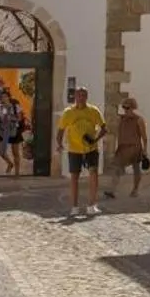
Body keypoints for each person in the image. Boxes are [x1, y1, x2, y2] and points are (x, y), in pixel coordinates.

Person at [56, 87, 107, 219]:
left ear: (87, 97)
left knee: (93, 174)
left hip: (91, 148)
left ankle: (92, 205)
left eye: (84, 95)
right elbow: (61, 130)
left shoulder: (93, 111)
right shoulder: (68, 112)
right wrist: (59, 144)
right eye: (79, 95)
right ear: (75, 97)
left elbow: (104, 128)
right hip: (74, 149)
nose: (81, 98)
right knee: (74, 177)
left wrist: (95, 139)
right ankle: (74, 207)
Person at [112, 97, 150, 198]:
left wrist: (145, 150)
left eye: (127, 107)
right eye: (124, 107)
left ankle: (135, 189)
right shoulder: (122, 119)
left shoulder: (139, 120)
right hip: (123, 148)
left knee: (136, 168)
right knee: (117, 168)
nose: (125, 109)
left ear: (132, 108)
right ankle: (113, 190)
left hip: (135, 147)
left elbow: (144, 136)